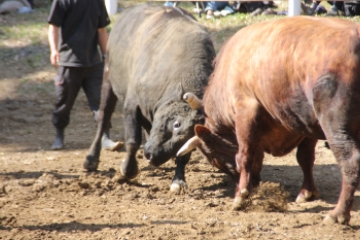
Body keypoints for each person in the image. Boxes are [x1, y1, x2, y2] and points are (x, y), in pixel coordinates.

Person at [47, 0, 123, 151]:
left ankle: (105, 137)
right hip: (69, 62)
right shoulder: (63, 1)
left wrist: (106, 56)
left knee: (101, 101)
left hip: (93, 63)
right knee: (63, 102)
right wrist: (54, 50)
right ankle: (59, 136)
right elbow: (53, 27)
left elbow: (101, 30)